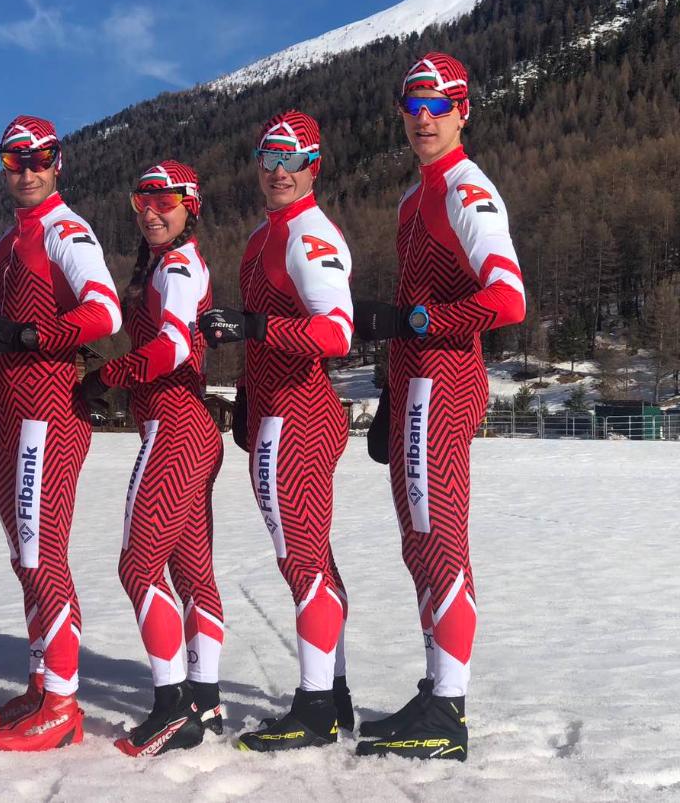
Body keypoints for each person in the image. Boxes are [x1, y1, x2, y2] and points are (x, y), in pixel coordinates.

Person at [352, 53, 525, 761]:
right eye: (412, 105)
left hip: (446, 382)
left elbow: (507, 298)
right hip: (413, 386)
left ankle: (449, 710)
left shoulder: (466, 188)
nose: (423, 118)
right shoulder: (412, 198)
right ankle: (434, 689)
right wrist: (391, 391)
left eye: (438, 105)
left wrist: (422, 322)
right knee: (418, 543)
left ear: (463, 112)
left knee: (442, 541)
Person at [0, 115, 122, 752]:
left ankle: (63, 703)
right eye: (14, 160)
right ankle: (40, 685)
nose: (27, 171)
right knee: (21, 554)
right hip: (13, 416)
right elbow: (1, 341)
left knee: (41, 554)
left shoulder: (65, 229)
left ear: (59, 163)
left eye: (39, 159)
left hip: (51, 417)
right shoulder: (8, 241)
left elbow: (104, 310)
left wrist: (33, 335)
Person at [199, 110, 355, 751]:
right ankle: (334, 693)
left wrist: (257, 328)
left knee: (302, 560)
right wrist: (244, 393)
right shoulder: (265, 235)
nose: (278, 171)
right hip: (272, 411)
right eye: (269, 158)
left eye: (291, 159)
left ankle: (315, 708)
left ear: (314, 166)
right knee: (312, 556)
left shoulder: (309, 234)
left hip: (301, 414)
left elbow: (336, 332)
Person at [79, 161, 225, 757]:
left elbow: (171, 346)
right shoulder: (165, 262)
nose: (151, 212)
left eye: (166, 201)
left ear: (191, 207)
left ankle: (173, 706)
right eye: (142, 201)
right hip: (187, 428)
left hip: (175, 428)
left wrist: (107, 376)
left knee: (138, 567)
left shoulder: (179, 265)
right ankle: (205, 698)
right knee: (191, 573)